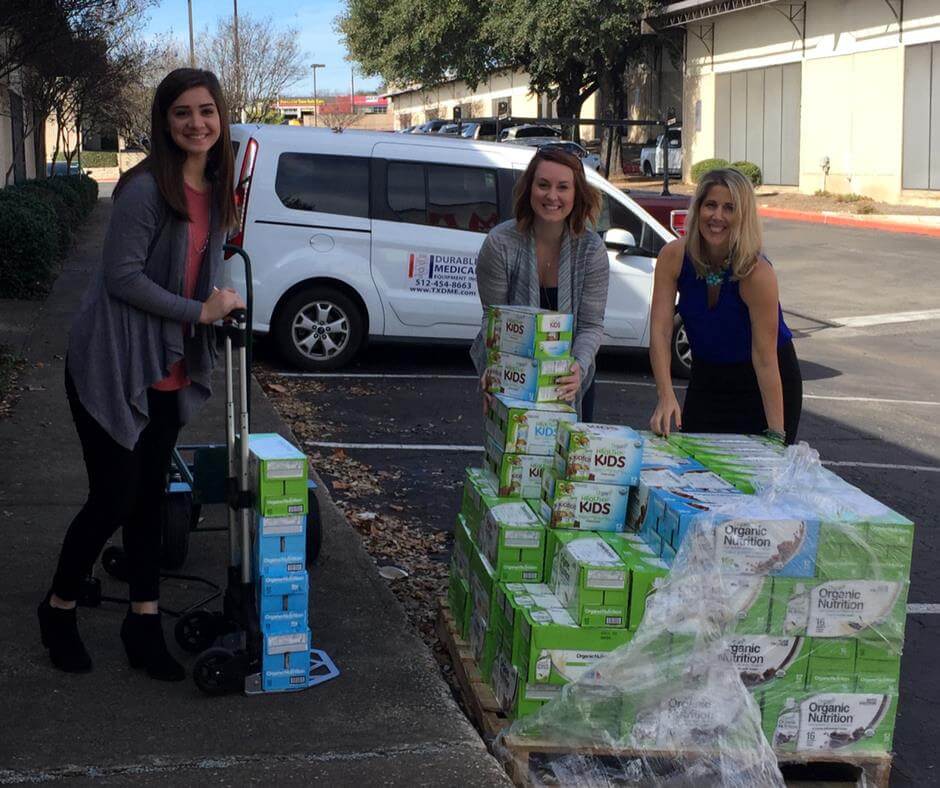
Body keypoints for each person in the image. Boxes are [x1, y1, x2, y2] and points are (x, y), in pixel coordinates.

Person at [37, 69, 245, 680]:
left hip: (168, 361)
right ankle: (58, 608)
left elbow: (205, 264)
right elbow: (122, 277)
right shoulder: (145, 190)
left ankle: (144, 621)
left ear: (220, 116)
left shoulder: (215, 184)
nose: (196, 123)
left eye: (206, 111)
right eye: (182, 113)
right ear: (164, 121)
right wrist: (200, 311)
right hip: (112, 362)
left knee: (151, 498)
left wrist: (220, 298)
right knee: (113, 498)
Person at [648, 168, 802, 444]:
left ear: (742, 216)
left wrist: (778, 436)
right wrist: (666, 394)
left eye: (729, 208)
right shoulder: (673, 257)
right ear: (698, 210)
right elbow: (660, 331)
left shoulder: (756, 273)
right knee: (693, 468)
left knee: (759, 476)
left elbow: (765, 358)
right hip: (707, 377)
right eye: (710, 205)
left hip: (761, 380)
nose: (717, 216)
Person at [471, 146, 609, 420]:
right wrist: (493, 367)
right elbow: (493, 318)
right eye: (543, 185)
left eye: (563, 187)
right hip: (513, 376)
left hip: (571, 381)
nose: (552, 196)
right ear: (529, 188)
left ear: (576, 193)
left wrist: (578, 368)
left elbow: (591, 326)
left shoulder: (592, 250)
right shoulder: (500, 243)